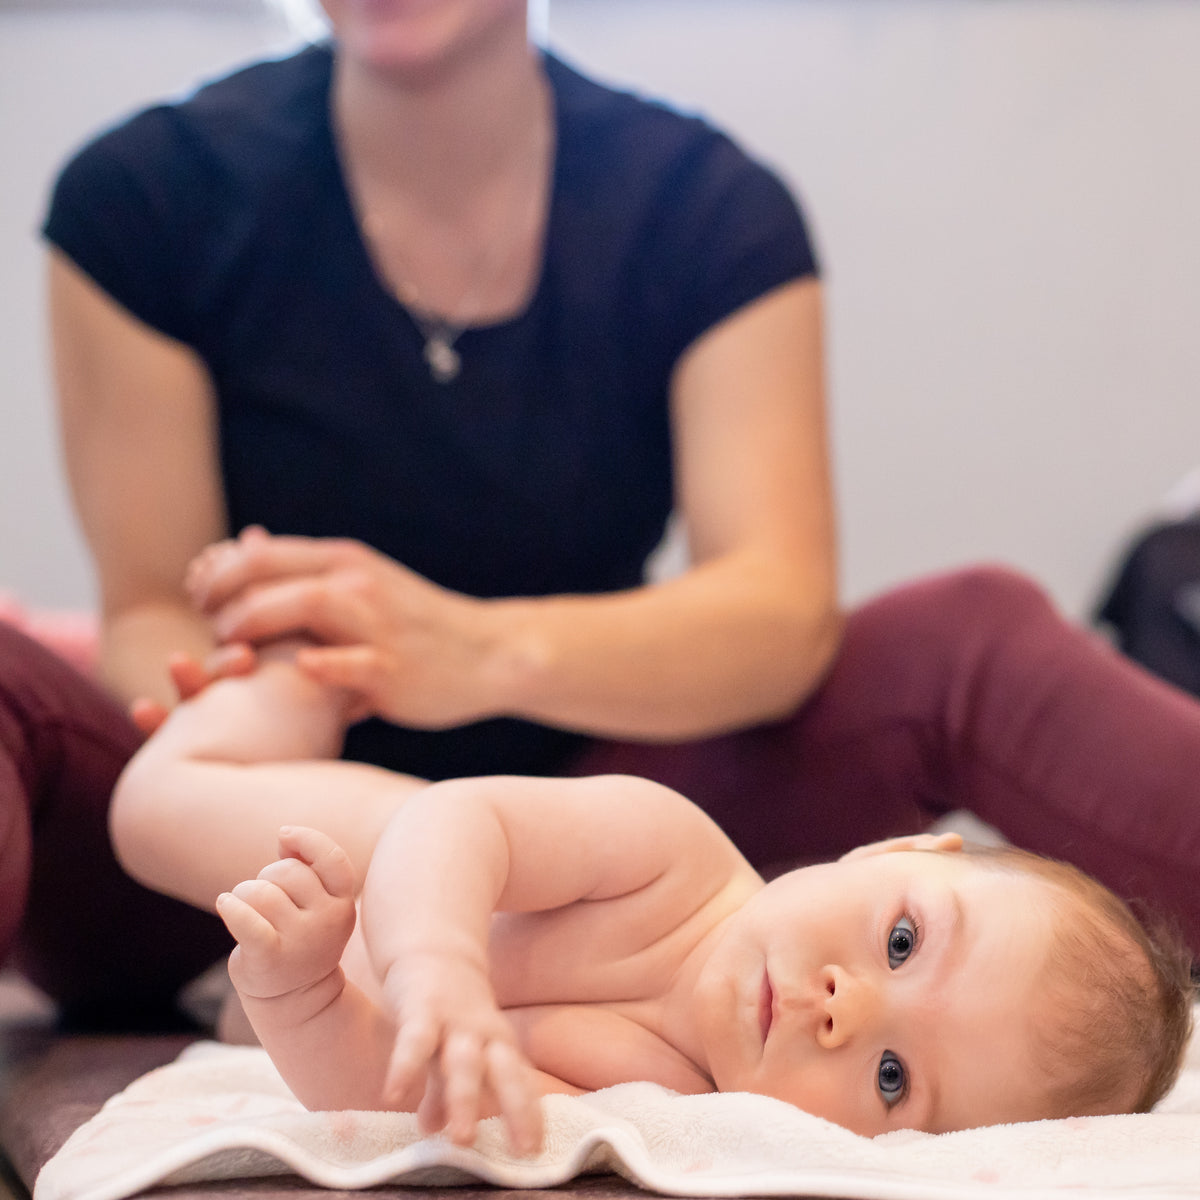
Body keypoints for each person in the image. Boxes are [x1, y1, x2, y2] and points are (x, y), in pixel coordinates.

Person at [35, 0, 1200, 994]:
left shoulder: (706, 207)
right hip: (250, 857)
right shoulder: (141, 200)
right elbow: (148, 609)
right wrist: (228, 714)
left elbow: (778, 614)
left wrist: (462, 649)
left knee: (967, 634)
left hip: (598, 842)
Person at [107, 643, 1192, 1152]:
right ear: (897, 851)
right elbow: (454, 825)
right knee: (152, 811)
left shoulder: (664, 1106)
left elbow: (396, 1092)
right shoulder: (670, 856)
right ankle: (285, 690)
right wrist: (434, 961)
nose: (841, 1007)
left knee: (201, 977)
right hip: (351, 850)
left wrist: (306, 998)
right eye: (902, 941)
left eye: (895, 1075)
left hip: (275, 955)